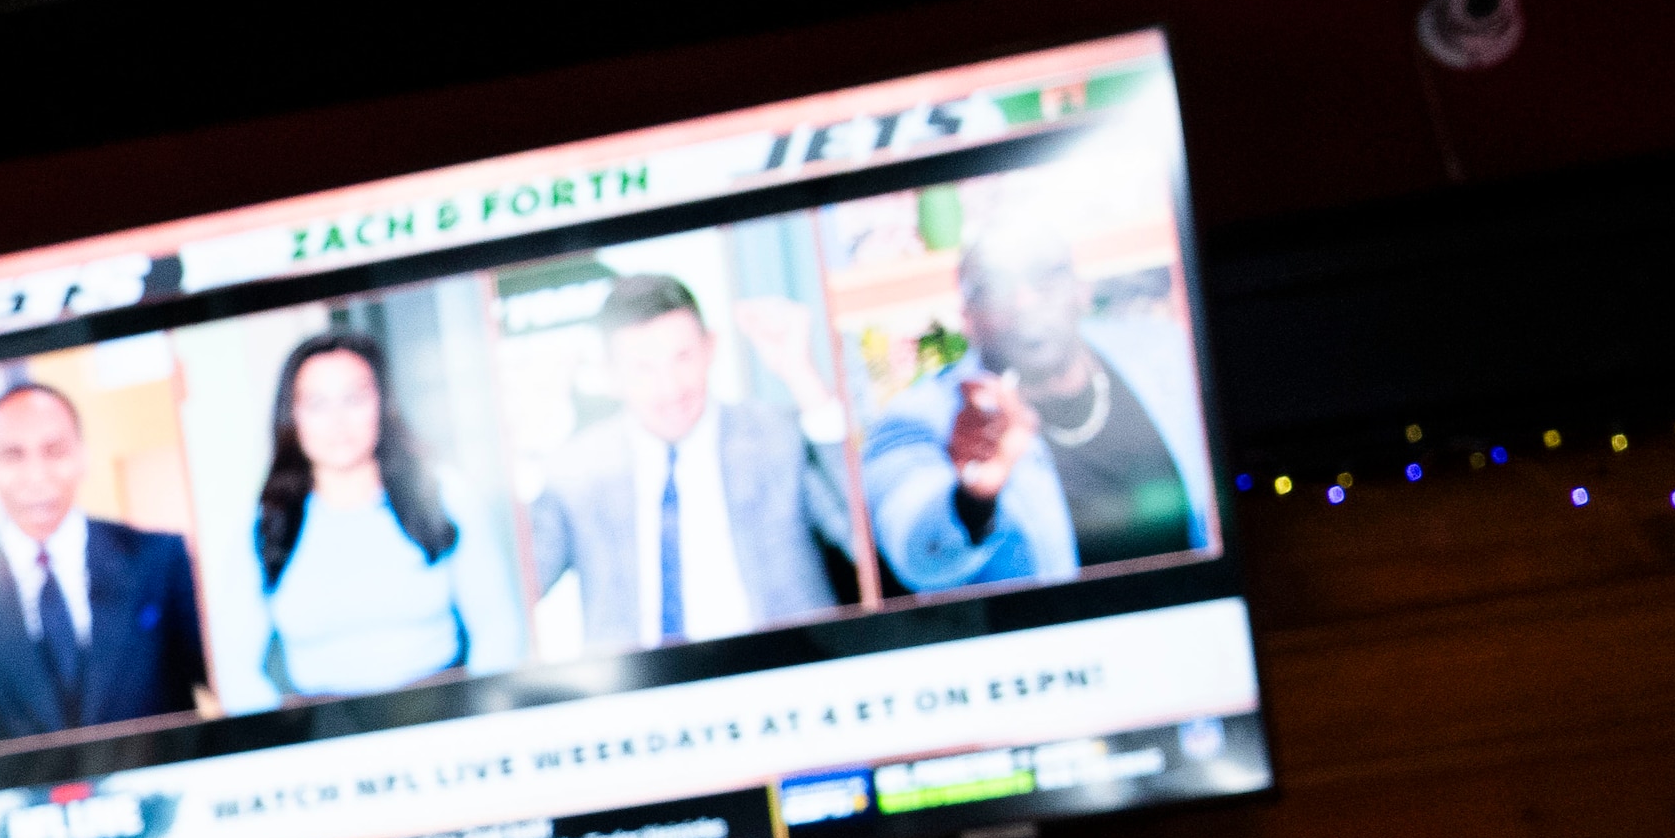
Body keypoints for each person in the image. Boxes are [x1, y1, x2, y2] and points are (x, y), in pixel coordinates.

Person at [863, 197, 1213, 592]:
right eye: (995, 287)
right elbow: (916, 554)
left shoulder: (1171, 356)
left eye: (1044, 277)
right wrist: (974, 499)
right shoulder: (918, 419)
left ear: (1081, 291)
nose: (1024, 301)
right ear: (966, 319)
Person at [524, 274, 857, 650]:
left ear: (710, 347)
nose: (670, 388)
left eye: (682, 358)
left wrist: (804, 378)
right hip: (642, 696)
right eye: (643, 368)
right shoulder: (575, 472)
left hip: (785, 675)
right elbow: (519, 590)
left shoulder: (775, 437)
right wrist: (524, 450)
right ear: (611, 374)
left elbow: (863, 538)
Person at [0, 379, 207, 747]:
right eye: (13, 456)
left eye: (54, 450)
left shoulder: (160, 560)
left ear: (82, 457)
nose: (36, 475)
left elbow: (229, 679)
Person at [240, 328, 526, 699]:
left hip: (443, 720)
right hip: (322, 738)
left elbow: (497, 629)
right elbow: (238, 674)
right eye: (317, 404)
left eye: (354, 399)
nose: (338, 421)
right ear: (291, 416)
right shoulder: (263, 523)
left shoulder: (444, 493)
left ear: (382, 403)